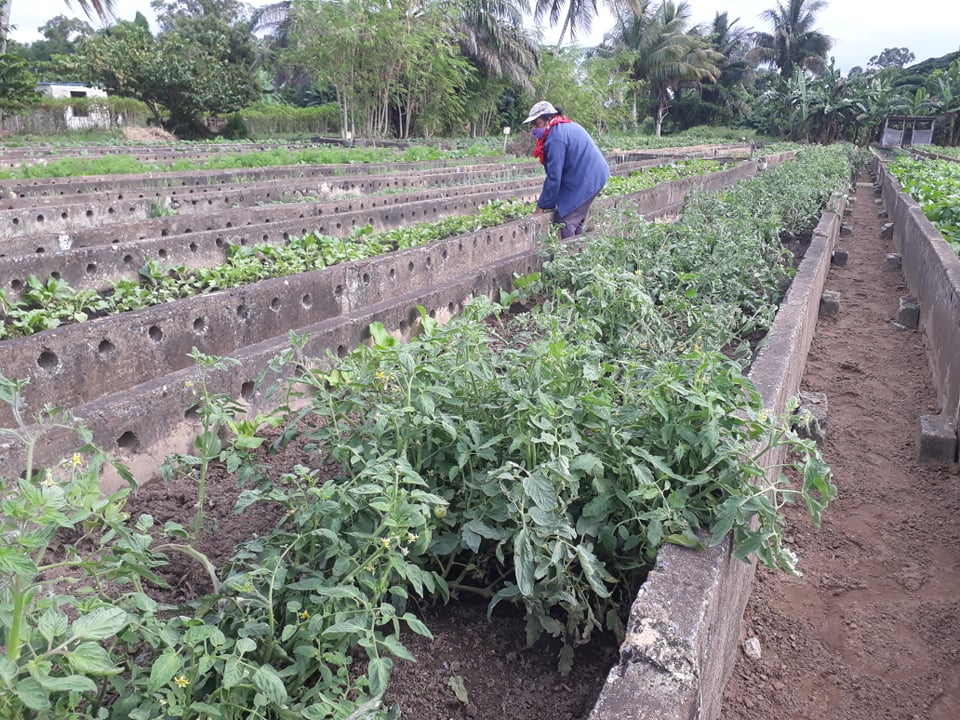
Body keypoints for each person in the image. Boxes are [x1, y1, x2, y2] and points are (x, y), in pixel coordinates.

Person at [522, 100, 610, 239]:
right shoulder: (564, 126)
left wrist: (542, 206)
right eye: (533, 125)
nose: (534, 129)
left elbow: (554, 177)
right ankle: (579, 250)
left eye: (537, 124)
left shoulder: (555, 138)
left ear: (549, 119)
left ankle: (569, 256)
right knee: (576, 219)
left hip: (587, 178)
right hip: (593, 174)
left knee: (568, 220)